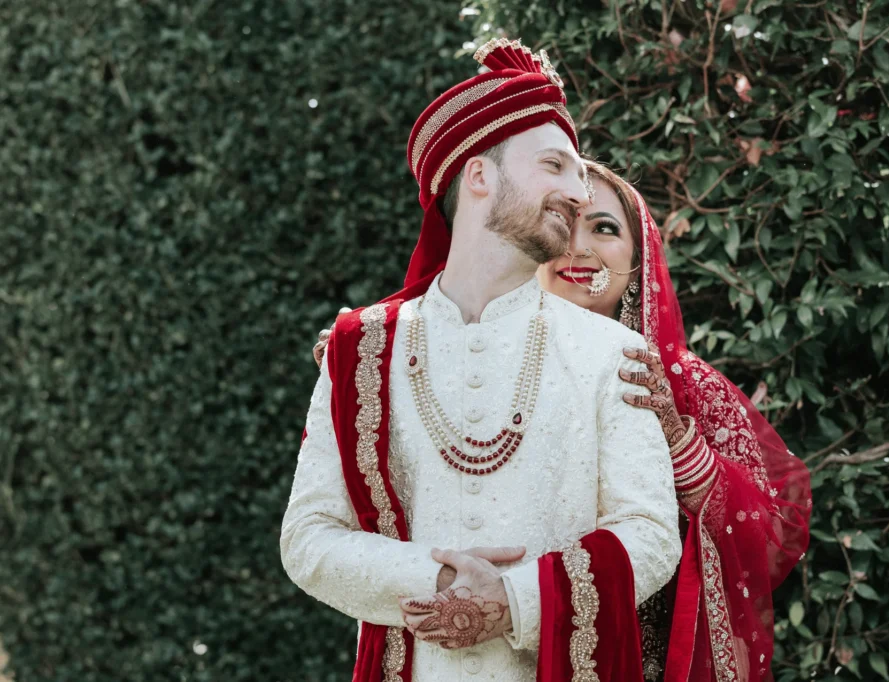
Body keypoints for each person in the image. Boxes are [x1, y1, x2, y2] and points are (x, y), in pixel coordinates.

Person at [283, 39, 681, 682]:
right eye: (555, 165)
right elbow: (307, 538)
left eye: (580, 174)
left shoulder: (613, 354)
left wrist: (516, 601)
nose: (579, 192)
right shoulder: (361, 350)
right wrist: (437, 578)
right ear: (478, 176)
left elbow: (651, 535)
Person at [536, 161, 813, 682]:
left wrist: (680, 446)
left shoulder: (687, 386)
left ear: (640, 263)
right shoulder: (484, 369)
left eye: (603, 227)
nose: (577, 246)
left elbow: (774, 534)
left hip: (643, 656)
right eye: (560, 223)